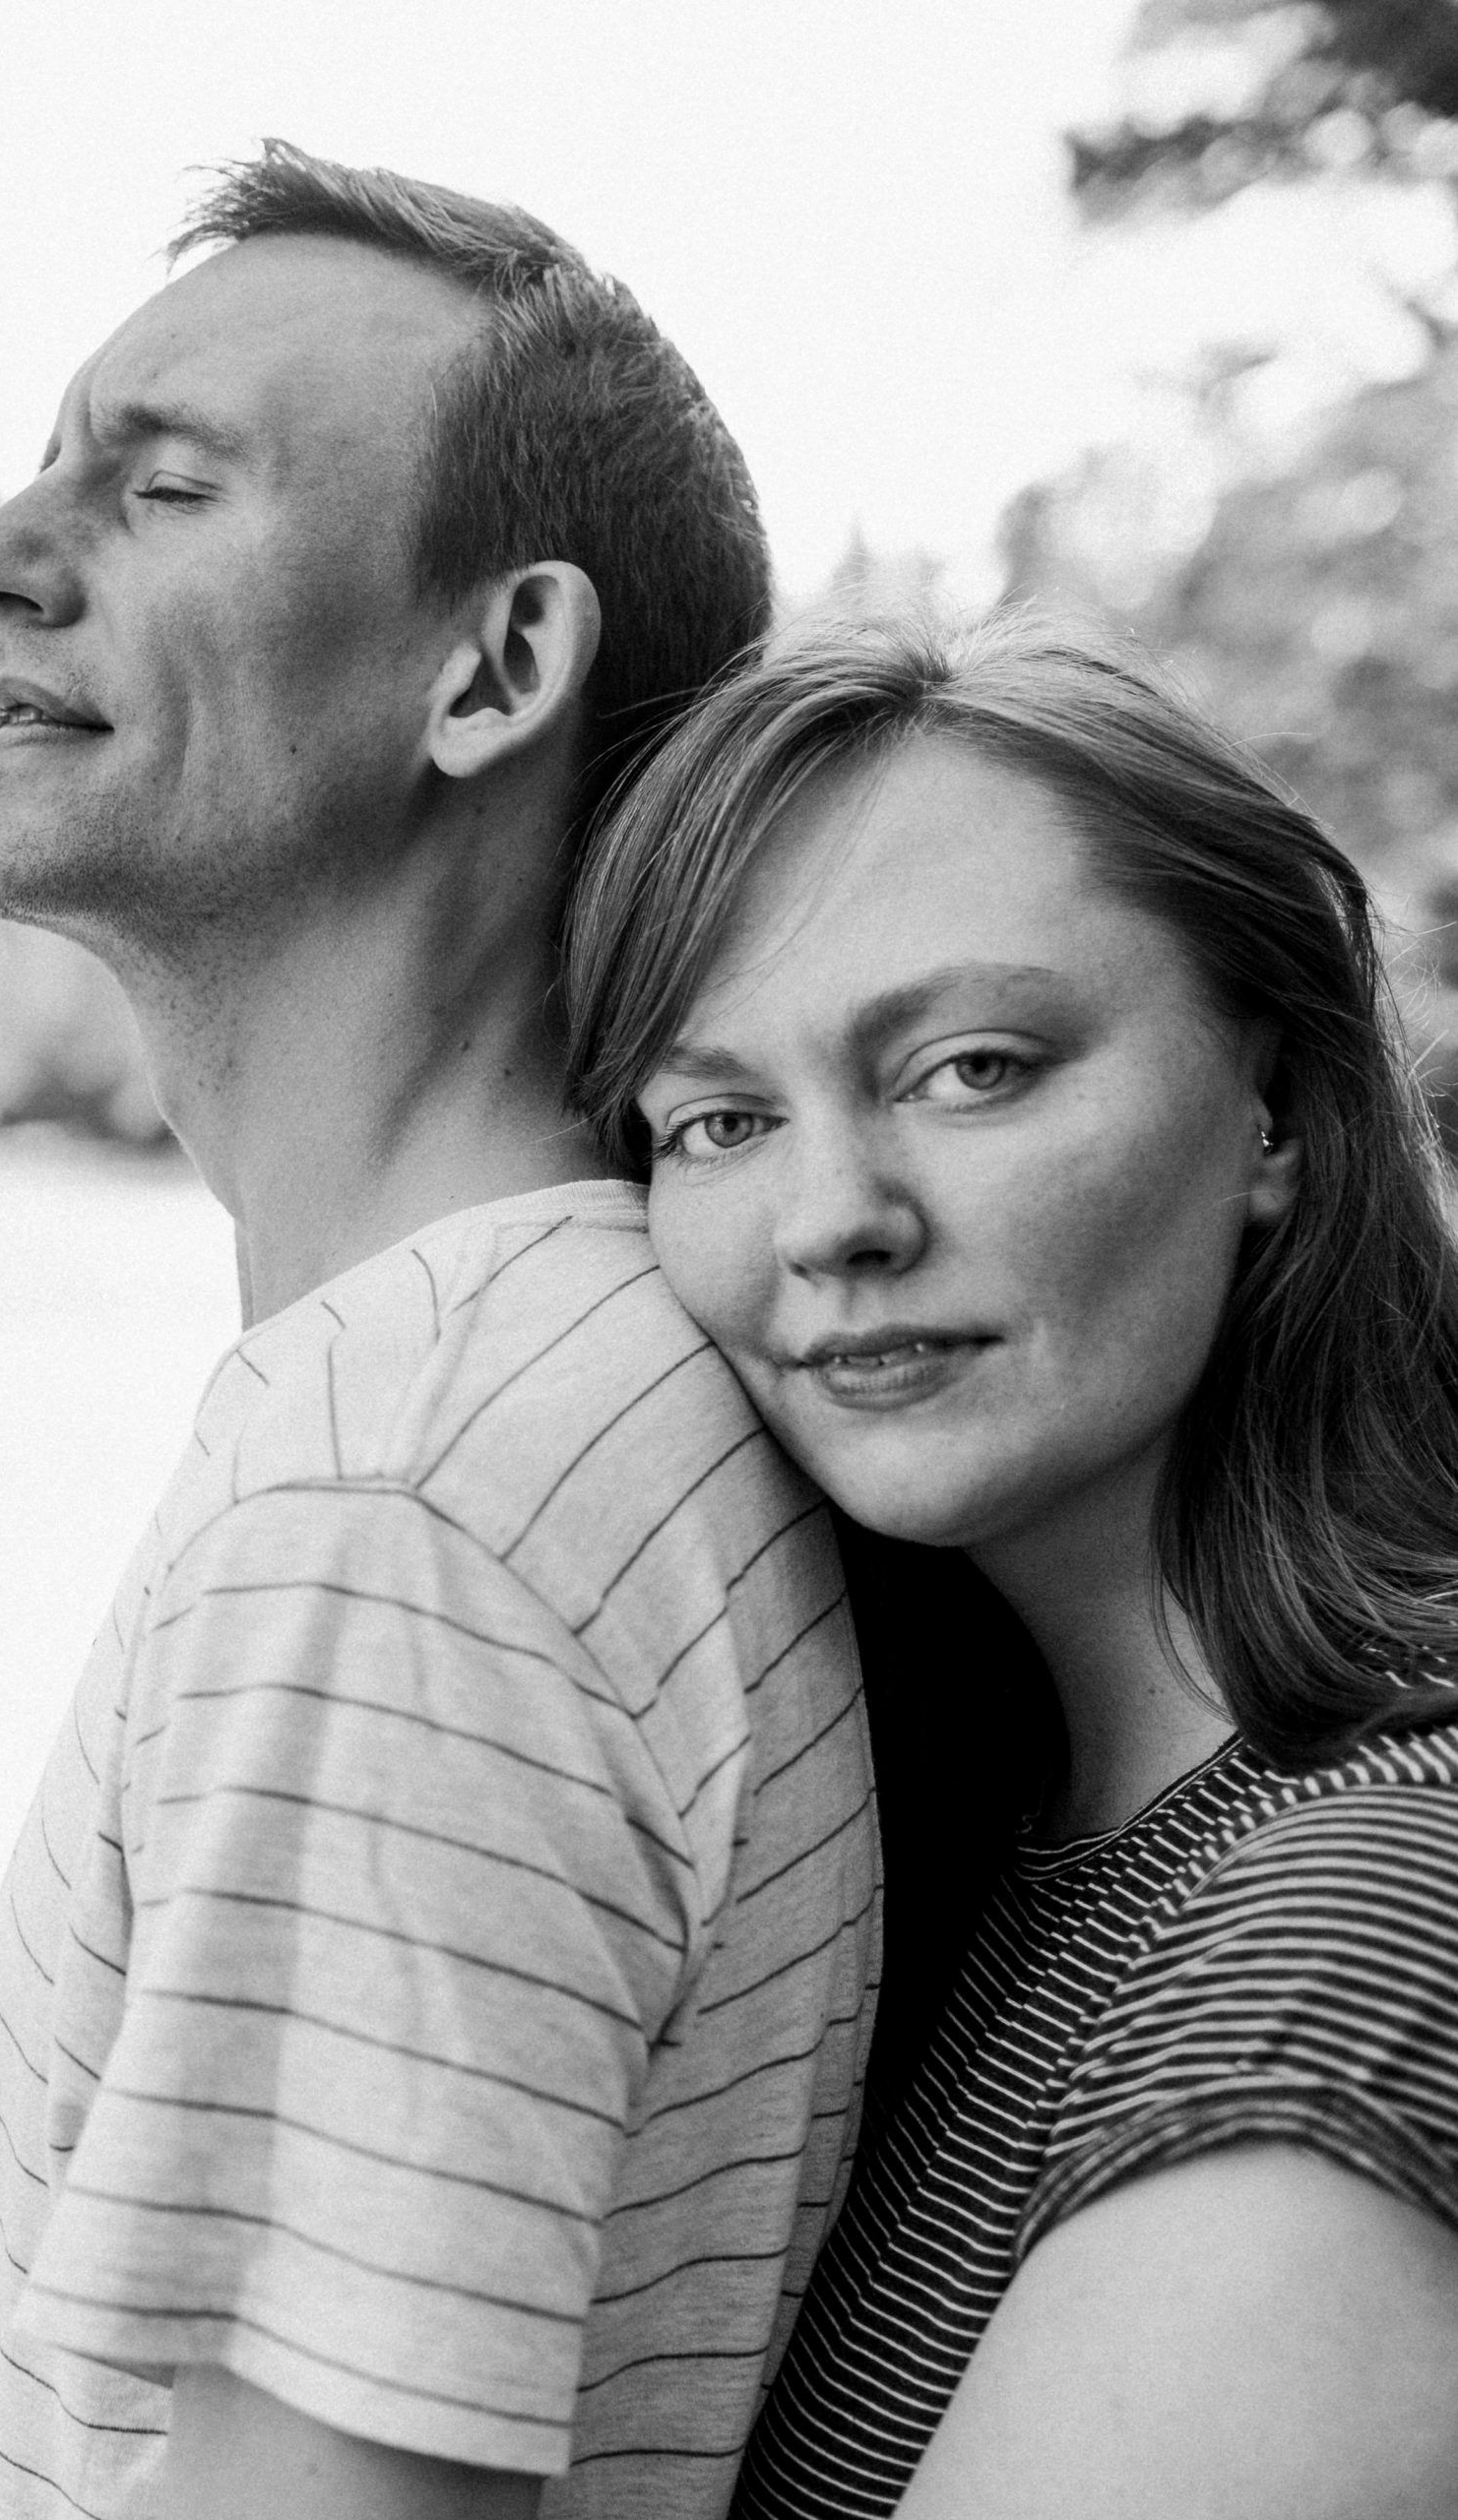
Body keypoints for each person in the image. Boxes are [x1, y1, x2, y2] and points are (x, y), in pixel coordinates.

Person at [0, 144, 903, 2520]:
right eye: (44, 462)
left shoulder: (410, 1498)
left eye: (165, 483)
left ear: (495, 665)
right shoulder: (539, 1370)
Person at [563, 607, 1458, 2520]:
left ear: (1273, 1115)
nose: (832, 1219)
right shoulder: (966, 1841)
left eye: (970, 1066)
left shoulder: (1359, 1916)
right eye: (717, 1118)